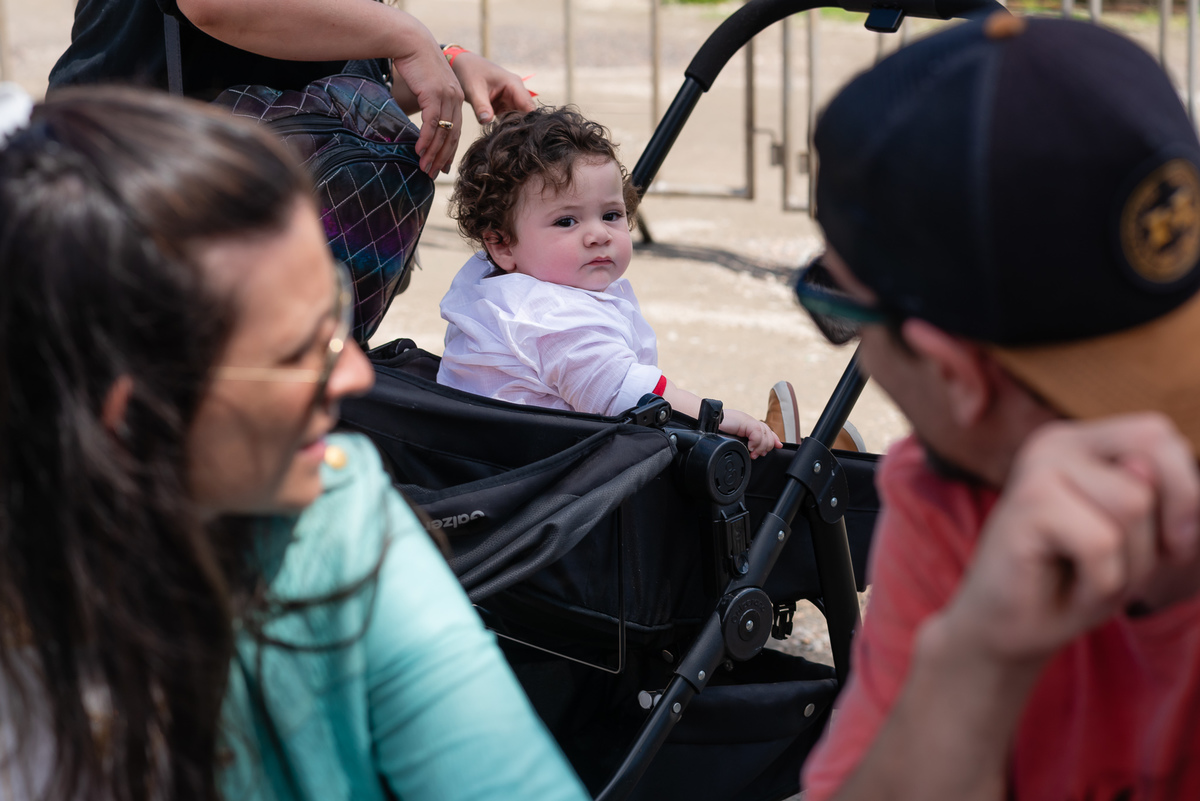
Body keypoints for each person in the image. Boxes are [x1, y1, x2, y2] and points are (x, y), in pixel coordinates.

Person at [0, 85, 589, 801]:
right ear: (131, 420)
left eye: (339, 315)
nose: (352, 372)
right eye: (297, 352)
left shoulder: (339, 515)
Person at [795, 14, 1200, 801]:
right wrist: (973, 660)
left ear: (955, 375)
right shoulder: (949, 496)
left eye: (835, 302)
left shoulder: (963, 497)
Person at [438, 105, 783, 458]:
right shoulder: (550, 318)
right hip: (558, 475)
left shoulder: (492, 282)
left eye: (611, 215)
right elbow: (632, 393)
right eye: (567, 222)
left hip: (497, 457)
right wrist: (723, 419)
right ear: (501, 243)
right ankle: (771, 454)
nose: (598, 234)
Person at [48, 0, 537, 176]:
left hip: (256, 218)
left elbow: (324, 79)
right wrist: (409, 38)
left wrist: (446, 65)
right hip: (132, 193)